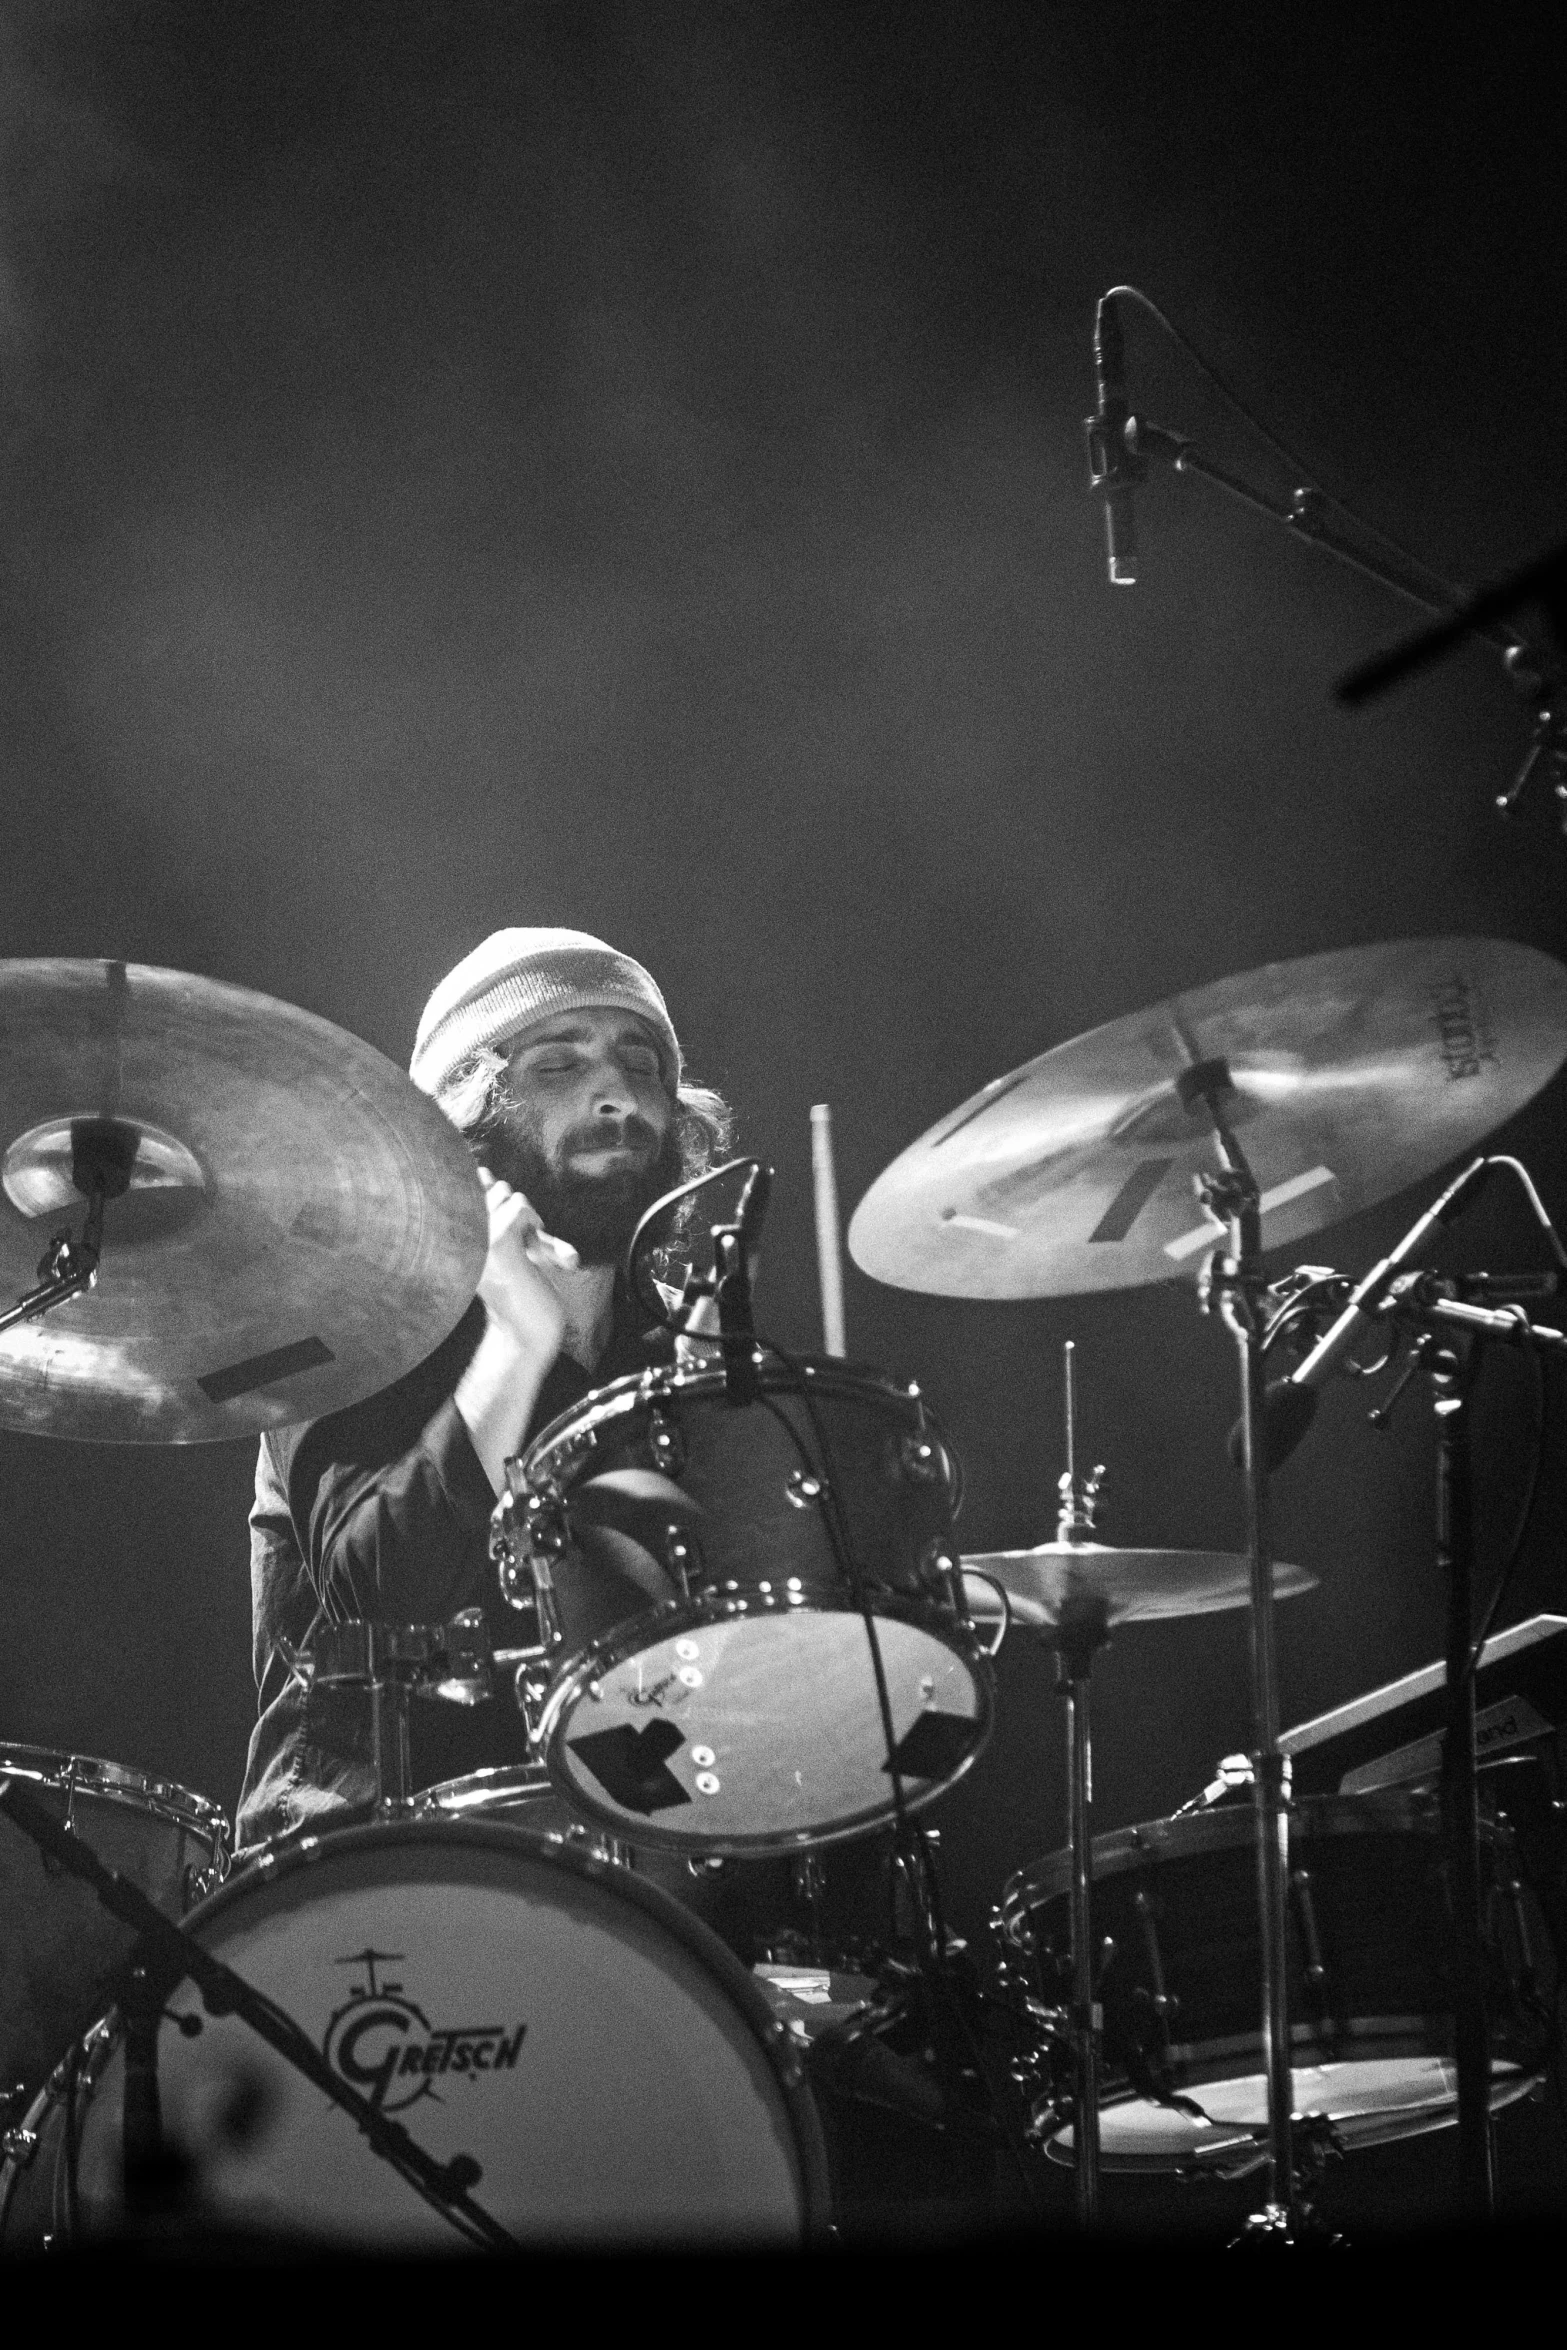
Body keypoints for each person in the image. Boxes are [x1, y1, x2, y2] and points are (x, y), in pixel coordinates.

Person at [235, 928, 733, 1852]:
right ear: (464, 1111)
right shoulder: (344, 1315)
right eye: (557, 1064)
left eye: (641, 1062)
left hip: (634, 1865)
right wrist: (517, 1341)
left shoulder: (678, 1341)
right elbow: (380, 1598)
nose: (618, 1094)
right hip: (362, 1860)